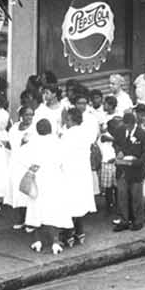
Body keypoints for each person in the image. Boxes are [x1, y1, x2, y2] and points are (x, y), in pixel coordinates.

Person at [23, 119, 71, 254]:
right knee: (53, 209)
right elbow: (64, 161)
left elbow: (23, 159)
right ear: (50, 129)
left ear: (37, 130)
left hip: (38, 177)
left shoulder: (32, 143)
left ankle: (37, 241)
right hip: (55, 178)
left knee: (36, 208)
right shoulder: (58, 142)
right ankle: (55, 242)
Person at [58, 107, 97, 247]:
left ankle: (68, 234)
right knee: (79, 203)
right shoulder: (86, 133)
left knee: (68, 203)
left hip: (69, 173)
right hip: (83, 173)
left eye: (67, 119)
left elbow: (60, 155)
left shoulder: (68, 135)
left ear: (70, 119)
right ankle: (80, 231)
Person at [111, 113, 145, 232]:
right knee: (122, 196)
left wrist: (137, 162)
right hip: (122, 168)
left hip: (136, 169)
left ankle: (138, 221)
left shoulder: (142, 134)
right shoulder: (120, 130)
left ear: (134, 124)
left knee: (136, 196)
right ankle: (124, 220)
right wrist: (118, 151)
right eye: (126, 125)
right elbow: (116, 143)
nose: (127, 128)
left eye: (129, 125)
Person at [4, 104, 37, 230]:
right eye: (27, 114)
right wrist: (21, 143)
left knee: (29, 191)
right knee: (18, 191)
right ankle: (21, 218)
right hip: (16, 163)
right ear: (21, 116)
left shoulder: (34, 128)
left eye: (31, 114)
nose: (29, 117)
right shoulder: (14, 128)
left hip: (28, 164)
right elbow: (12, 145)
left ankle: (31, 221)